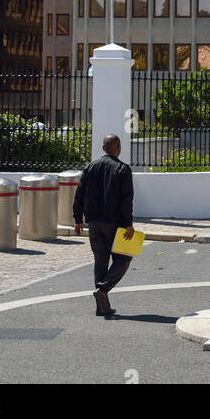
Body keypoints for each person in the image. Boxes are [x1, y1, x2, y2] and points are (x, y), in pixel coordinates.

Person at [73, 133, 135, 316]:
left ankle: (102, 306)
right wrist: (128, 224)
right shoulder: (123, 169)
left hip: (93, 222)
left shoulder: (90, 167)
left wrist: (78, 219)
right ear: (118, 148)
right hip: (113, 222)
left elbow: (79, 194)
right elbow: (126, 200)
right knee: (123, 259)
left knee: (100, 260)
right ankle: (102, 289)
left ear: (103, 148)